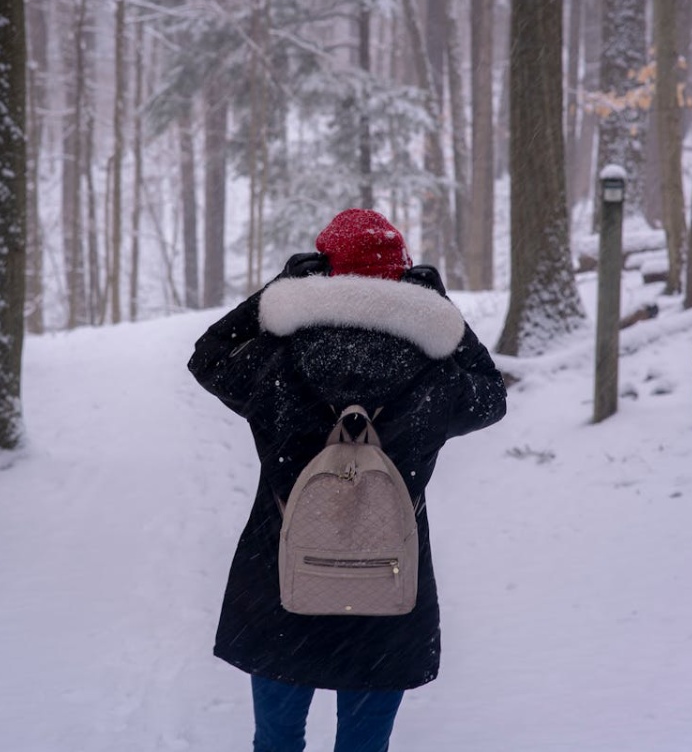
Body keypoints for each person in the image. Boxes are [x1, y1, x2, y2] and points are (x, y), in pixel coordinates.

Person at [188, 208, 507, 752]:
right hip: (385, 591)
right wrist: (440, 309)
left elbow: (208, 355)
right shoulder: (434, 373)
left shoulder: (278, 362)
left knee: (278, 741)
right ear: (403, 274)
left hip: (281, 585)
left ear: (323, 271)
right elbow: (491, 395)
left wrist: (280, 291)